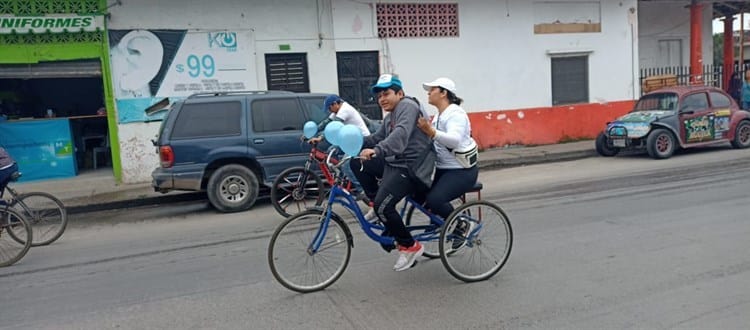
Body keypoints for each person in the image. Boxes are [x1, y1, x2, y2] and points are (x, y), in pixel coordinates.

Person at [356, 74, 433, 271]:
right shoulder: (390, 116)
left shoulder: (407, 106)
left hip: (412, 167)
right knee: (358, 164)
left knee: (384, 207)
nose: (382, 99)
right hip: (396, 164)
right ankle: (376, 202)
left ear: (399, 93)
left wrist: (377, 151)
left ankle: (409, 246)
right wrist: (351, 144)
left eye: (386, 93)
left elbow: (400, 134)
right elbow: (376, 138)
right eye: (379, 95)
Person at [416, 78, 479, 248]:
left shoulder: (455, 113)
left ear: (444, 93)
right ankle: (440, 224)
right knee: (419, 194)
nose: (428, 93)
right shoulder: (439, 115)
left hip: (461, 171)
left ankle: (462, 224)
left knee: (435, 200)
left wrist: (431, 131)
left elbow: (454, 140)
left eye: (432, 89)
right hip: (444, 169)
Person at [308, 95, 371, 194]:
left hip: (361, 139)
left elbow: (335, 126)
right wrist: (311, 131)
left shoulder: (345, 110)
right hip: (350, 139)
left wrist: (320, 137)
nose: (330, 111)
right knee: (331, 151)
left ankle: (363, 191)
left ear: (335, 104)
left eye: (329, 108)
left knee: (346, 165)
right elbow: (326, 122)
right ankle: (342, 178)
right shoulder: (337, 110)